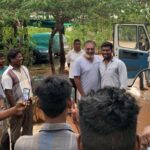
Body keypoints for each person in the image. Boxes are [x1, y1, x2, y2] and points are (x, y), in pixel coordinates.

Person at [15, 75, 78, 150]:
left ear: (39, 104)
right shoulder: (79, 143)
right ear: (69, 103)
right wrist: (78, 122)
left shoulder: (22, 144)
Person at [1, 49, 33, 149]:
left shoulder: (24, 69)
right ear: (11, 59)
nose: (21, 58)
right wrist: (16, 109)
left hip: (27, 104)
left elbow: (27, 85)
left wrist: (27, 102)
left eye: (21, 56)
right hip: (16, 107)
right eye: (18, 57)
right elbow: (8, 92)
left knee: (28, 131)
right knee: (16, 134)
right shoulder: (7, 75)